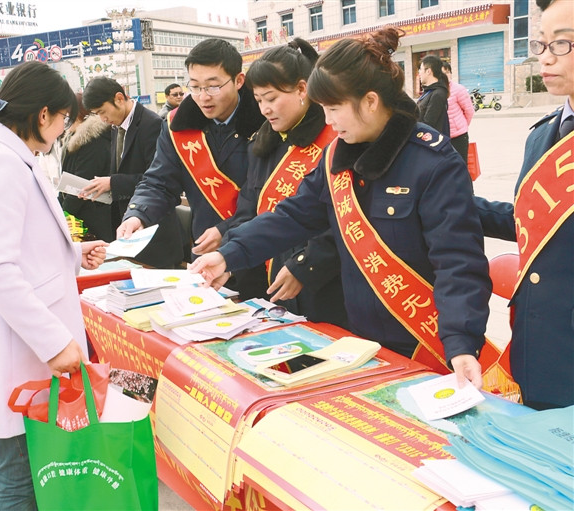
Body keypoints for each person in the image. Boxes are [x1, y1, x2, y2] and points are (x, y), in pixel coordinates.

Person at [191, 28, 493, 389]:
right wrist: (229, 255)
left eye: (334, 109)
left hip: (425, 345)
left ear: (370, 101)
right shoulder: (337, 157)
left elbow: (459, 262)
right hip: (363, 345)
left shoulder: (433, 162)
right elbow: (294, 215)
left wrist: (461, 343)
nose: (329, 121)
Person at [0, 61, 108, 509]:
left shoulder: (9, 157)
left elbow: (17, 245)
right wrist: (54, 342)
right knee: (20, 474)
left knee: (30, 471)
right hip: (21, 350)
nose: (61, 131)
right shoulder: (2, 165)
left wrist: (72, 253)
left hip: (21, 343)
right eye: (62, 120)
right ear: (43, 115)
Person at [474, 0, 574, 410]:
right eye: (540, 44)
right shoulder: (542, 135)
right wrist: (453, 202)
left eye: (562, 44)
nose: (545, 59)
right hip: (537, 340)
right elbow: (527, 222)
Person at [117, 38, 266, 297]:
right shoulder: (178, 126)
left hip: (263, 254)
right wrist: (137, 214)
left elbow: (272, 195)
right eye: (195, 87)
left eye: (213, 86)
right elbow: (159, 182)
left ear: (239, 81)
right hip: (206, 258)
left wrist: (226, 231)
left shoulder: (266, 121)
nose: (203, 97)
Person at [221, 38, 347, 325]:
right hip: (272, 281)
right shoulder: (264, 143)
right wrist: (228, 259)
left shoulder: (336, 139)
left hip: (327, 282)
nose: (265, 109)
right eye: (258, 100)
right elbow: (248, 211)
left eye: (272, 98)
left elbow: (342, 219)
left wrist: (305, 265)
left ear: (302, 89)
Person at [82, 76, 184, 267]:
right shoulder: (116, 126)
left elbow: (157, 179)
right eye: (97, 114)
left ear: (119, 98)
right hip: (128, 228)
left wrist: (113, 183)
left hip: (154, 230)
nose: (103, 119)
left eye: (103, 112)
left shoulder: (151, 124)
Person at [60, 92, 113, 241]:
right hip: (81, 214)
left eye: (65, 114)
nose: (63, 118)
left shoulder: (93, 140)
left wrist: (64, 213)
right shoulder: (74, 138)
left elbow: (82, 182)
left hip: (93, 216)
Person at [442, 62, 474, 162]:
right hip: (443, 137)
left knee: (461, 166)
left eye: (448, 72)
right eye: (443, 72)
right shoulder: (437, 91)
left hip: (459, 136)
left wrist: (461, 126)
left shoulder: (459, 89)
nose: (446, 75)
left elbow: (469, 111)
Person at [416, 55, 450, 137]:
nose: (419, 73)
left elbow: (428, 124)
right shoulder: (429, 92)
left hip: (430, 145)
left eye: (420, 69)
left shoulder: (438, 94)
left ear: (428, 71)